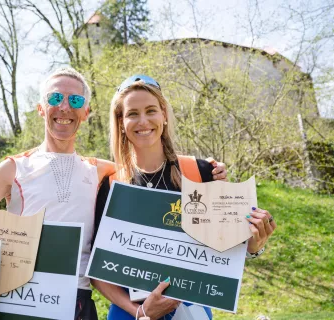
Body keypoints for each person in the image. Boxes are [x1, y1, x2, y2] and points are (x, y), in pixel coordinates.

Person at [0, 68, 228, 320]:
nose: (64, 107)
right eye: (54, 98)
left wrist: (206, 170)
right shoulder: (13, 168)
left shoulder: (102, 172)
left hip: (78, 302)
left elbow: (152, 164)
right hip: (20, 298)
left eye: (75, 100)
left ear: (85, 112)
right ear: (41, 108)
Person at [92, 75, 277, 320]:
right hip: (132, 312)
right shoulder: (111, 183)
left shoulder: (200, 172)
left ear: (164, 115)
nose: (143, 121)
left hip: (191, 310)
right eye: (132, 113)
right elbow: (98, 271)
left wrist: (254, 244)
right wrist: (140, 312)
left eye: (151, 110)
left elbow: (228, 247)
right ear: (121, 122)